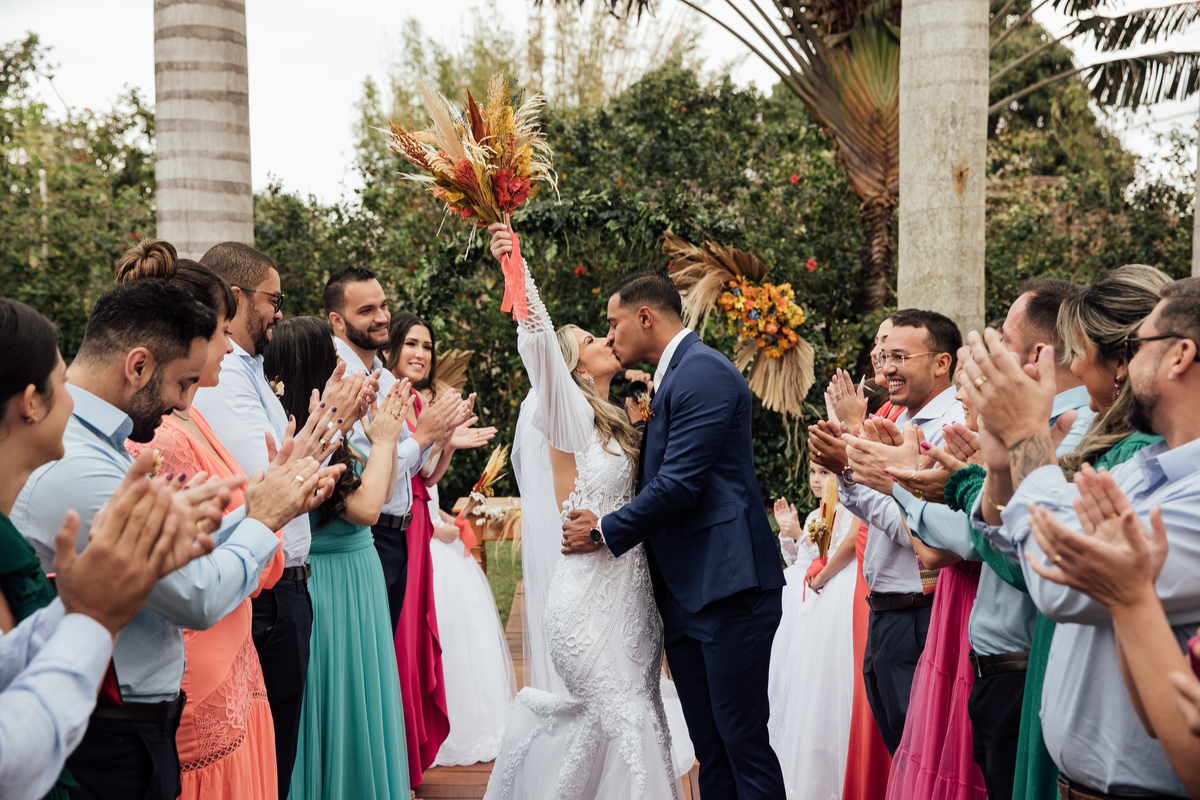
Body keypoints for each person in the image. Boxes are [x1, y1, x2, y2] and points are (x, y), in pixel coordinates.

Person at [13, 280, 336, 800]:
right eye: (183, 383)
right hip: (112, 731)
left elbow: (177, 552)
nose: (181, 405)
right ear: (138, 366)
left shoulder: (109, 448)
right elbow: (195, 593)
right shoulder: (81, 469)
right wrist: (261, 519)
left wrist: (256, 510)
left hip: (136, 721)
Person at [556, 246, 785, 795]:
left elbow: (680, 485)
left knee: (742, 743)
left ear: (644, 317)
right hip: (686, 594)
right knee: (711, 748)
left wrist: (605, 530)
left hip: (729, 587)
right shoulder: (670, 376)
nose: (608, 337)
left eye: (612, 324)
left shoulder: (704, 372)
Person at [962, 278, 1200, 798]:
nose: (1126, 361)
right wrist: (1004, 470)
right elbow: (1030, 548)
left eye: (1139, 346)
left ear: (1180, 356)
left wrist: (1028, 438)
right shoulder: (1146, 466)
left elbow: (1060, 583)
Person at [482, 225, 692, 799]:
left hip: (632, 596)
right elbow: (541, 346)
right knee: (623, 716)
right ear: (573, 365)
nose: (607, 339)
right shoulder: (566, 412)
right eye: (593, 339)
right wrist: (517, 272)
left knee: (633, 711)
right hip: (589, 599)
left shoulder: (618, 420)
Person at [0, 299, 216, 800]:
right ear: (30, 402)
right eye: (62, 382)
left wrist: (76, 606)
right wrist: (91, 617)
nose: (75, 401)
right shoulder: (74, 468)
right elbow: (14, 755)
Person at [192, 242, 370, 799]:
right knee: (270, 755)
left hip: (287, 581)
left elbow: (290, 467)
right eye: (274, 298)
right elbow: (266, 475)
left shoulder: (251, 372)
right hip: (264, 592)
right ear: (238, 296)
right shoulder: (223, 381)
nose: (278, 312)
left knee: (277, 753)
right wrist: (337, 419)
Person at [115, 239, 284, 800]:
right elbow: (195, 580)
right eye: (219, 334)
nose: (226, 350)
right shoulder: (162, 437)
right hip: (200, 659)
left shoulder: (189, 420)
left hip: (233, 654)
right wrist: (266, 515)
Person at [262, 316, 414, 800]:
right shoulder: (306, 440)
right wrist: (387, 438)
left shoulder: (332, 432)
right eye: (333, 367)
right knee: (336, 709)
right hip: (332, 583)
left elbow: (384, 490)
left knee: (362, 706)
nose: (344, 377)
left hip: (359, 575)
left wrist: (377, 432)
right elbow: (368, 507)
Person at [809, 308, 965, 755]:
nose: (886, 367)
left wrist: (860, 473)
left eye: (899, 356)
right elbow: (873, 509)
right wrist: (849, 469)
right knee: (900, 753)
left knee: (924, 755)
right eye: (884, 354)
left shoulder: (951, 426)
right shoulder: (894, 421)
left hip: (921, 612)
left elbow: (919, 529)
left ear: (941, 362)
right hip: (885, 612)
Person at [324, 267, 465, 636]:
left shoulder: (386, 378)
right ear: (337, 321)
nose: (383, 317)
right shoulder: (341, 379)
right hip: (367, 536)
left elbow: (405, 464)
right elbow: (365, 467)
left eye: (384, 306)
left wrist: (437, 436)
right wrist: (422, 438)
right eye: (367, 310)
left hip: (400, 534)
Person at [384, 312, 481, 786]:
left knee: (417, 631)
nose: (421, 353)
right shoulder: (389, 395)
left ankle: (410, 751)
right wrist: (441, 436)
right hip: (400, 523)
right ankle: (398, 752)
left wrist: (448, 442)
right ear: (393, 349)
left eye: (427, 345)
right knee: (404, 631)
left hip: (419, 514)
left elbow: (428, 475)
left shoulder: (421, 401)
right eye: (411, 344)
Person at [768, 461, 859, 800]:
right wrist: (790, 534)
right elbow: (799, 562)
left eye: (824, 472)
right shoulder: (813, 515)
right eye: (812, 473)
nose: (817, 480)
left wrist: (799, 535)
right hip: (804, 602)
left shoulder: (844, 509)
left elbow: (835, 550)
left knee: (828, 683)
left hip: (829, 598)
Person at [427, 490, 516, 767]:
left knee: (471, 634)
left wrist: (447, 521)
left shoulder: (430, 456)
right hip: (429, 545)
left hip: (440, 539)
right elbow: (411, 507)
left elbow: (430, 504)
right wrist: (438, 532)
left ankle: (472, 719)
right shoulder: (414, 453)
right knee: (447, 629)